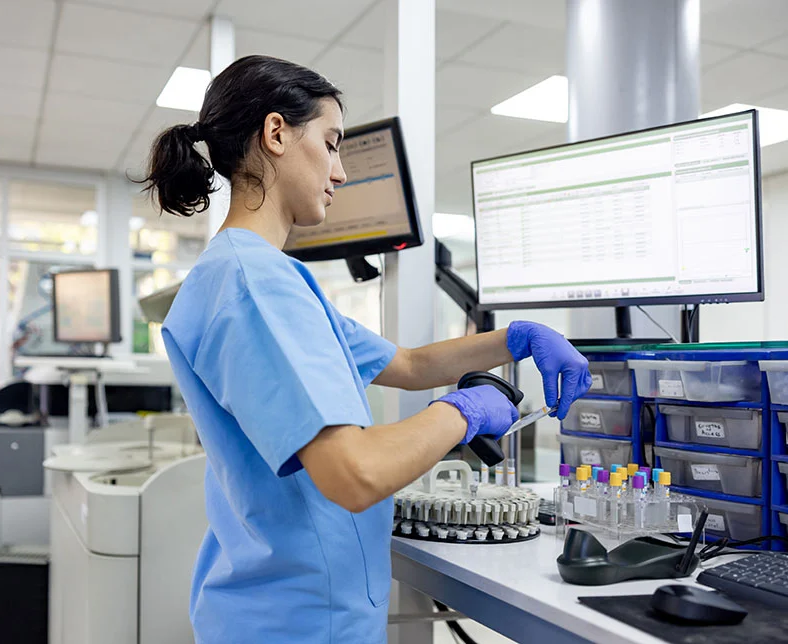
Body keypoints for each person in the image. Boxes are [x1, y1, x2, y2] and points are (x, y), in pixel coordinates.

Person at [141, 55, 591, 643]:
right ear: (276, 134)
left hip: (280, 606)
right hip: (299, 620)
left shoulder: (256, 276)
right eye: (330, 145)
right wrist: (464, 413)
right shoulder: (255, 286)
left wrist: (516, 338)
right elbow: (353, 472)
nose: (340, 171)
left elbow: (407, 365)